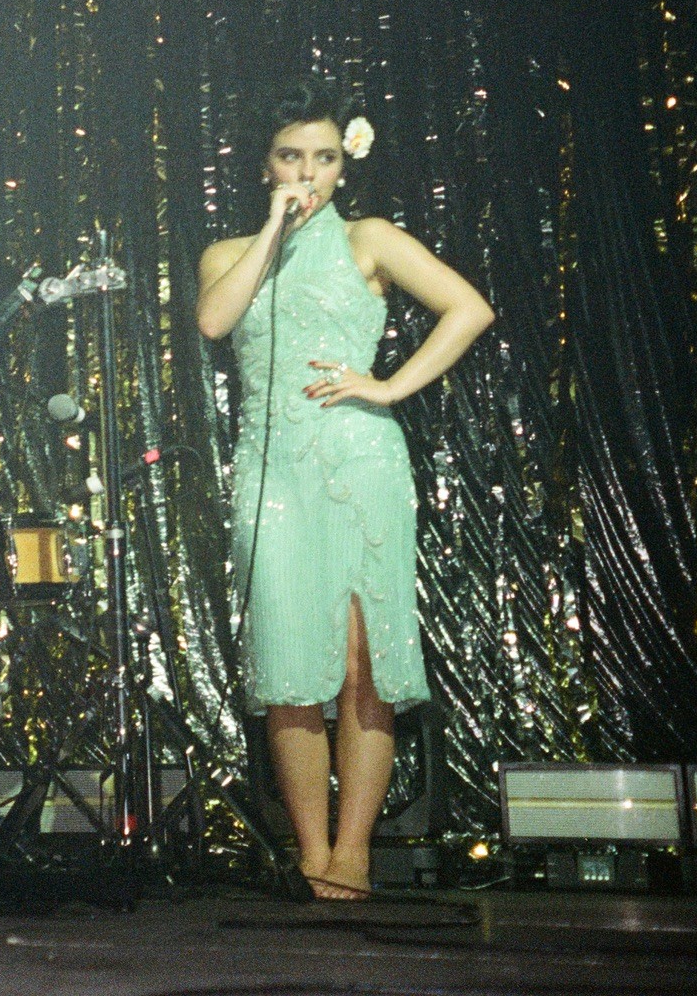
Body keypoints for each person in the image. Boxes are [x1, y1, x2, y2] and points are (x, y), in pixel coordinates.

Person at [193, 78, 493, 899]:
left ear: (342, 166)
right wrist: (273, 228)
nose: (309, 172)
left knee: (363, 663)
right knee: (290, 665)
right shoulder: (228, 253)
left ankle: (354, 850)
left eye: (324, 158)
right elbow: (216, 323)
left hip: (359, 462)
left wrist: (391, 387)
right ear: (266, 165)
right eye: (293, 157)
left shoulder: (371, 237)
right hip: (272, 469)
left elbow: (469, 309)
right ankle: (310, 848)